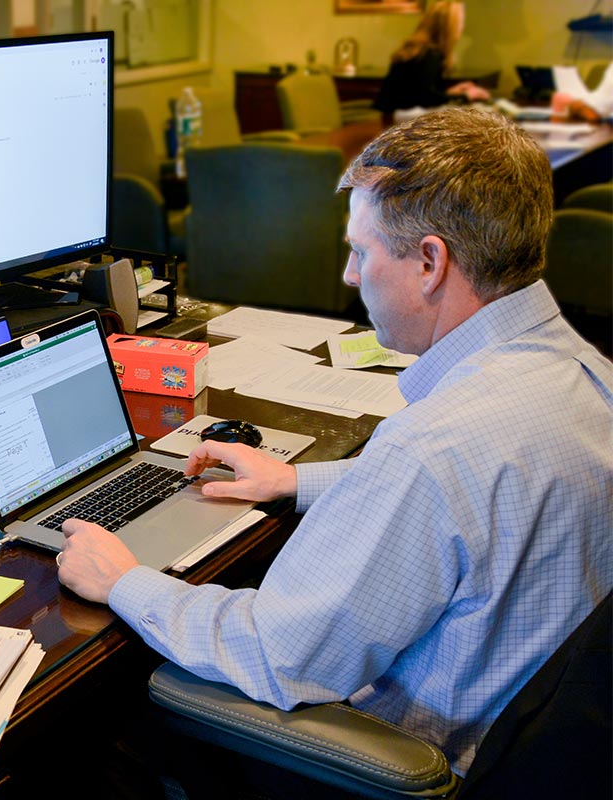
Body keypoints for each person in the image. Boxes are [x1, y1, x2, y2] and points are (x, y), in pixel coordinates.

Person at [56, 106, 612, 776]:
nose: (350, 276)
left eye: (360, 251)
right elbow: (479, 505)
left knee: (103, 725)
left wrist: (124, 581)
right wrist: (296, 481)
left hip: (409, 759)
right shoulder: (586, 374)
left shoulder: (433, 448)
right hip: (542, 742)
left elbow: (276, 655)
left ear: (430, 262)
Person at [373, 0, 490, 116]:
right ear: (450, 26)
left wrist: (451, 92)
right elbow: (426, 98)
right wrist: (466, 96)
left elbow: (419, 91)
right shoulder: (430, 54)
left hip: (395, 113)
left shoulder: (419, 48)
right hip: (403, 116)